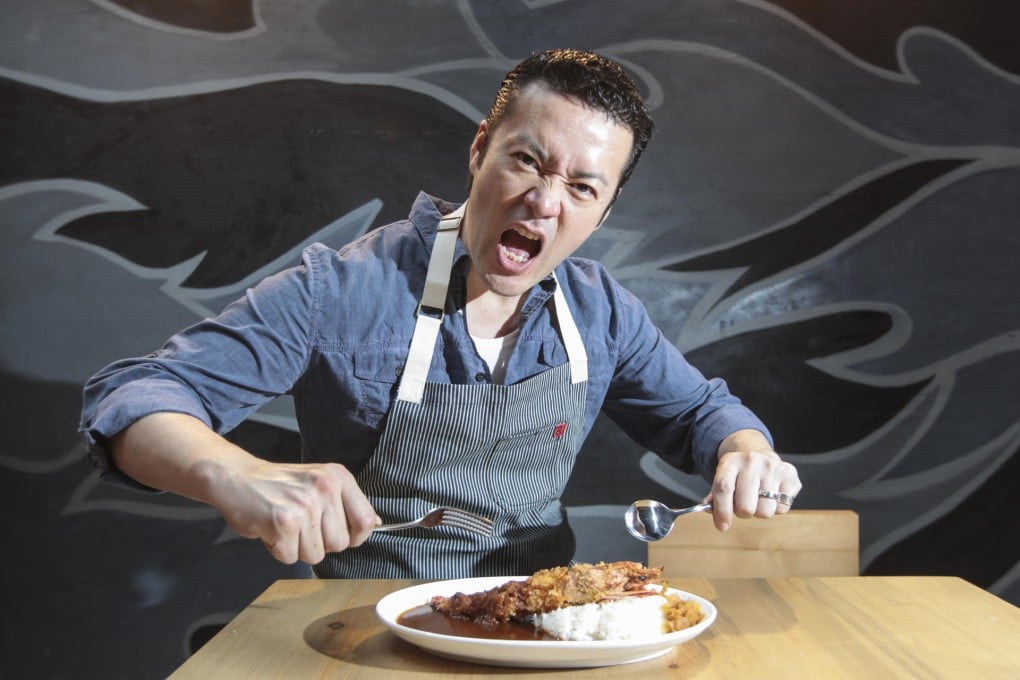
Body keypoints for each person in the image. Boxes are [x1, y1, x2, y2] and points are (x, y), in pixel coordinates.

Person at [80, 48, 801, 579]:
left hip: (543, 620)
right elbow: (134, 398)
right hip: (365, 630)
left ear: (604, 210)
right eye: (527, 161)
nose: (545, 202)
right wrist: (230, 471)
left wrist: (744, 450)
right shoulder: (344, 290)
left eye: (581, 188)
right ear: (480, 151)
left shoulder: (599, 310)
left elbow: (697, 414)